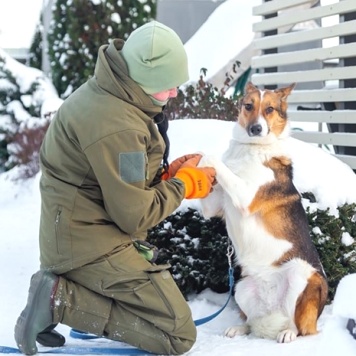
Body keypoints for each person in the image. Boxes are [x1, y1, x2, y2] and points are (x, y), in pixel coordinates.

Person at [14, 21, 216, 355]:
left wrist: (165, 179)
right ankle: (58, 300)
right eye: (169, 85)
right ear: (146, 80)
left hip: (78, 233)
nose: (175, 93)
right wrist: (185, 186)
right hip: (89, 246)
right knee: (178, 335)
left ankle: (59, 292)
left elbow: (115, 183)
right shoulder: (116, 124)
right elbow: (135, 217)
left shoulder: (113, 93)